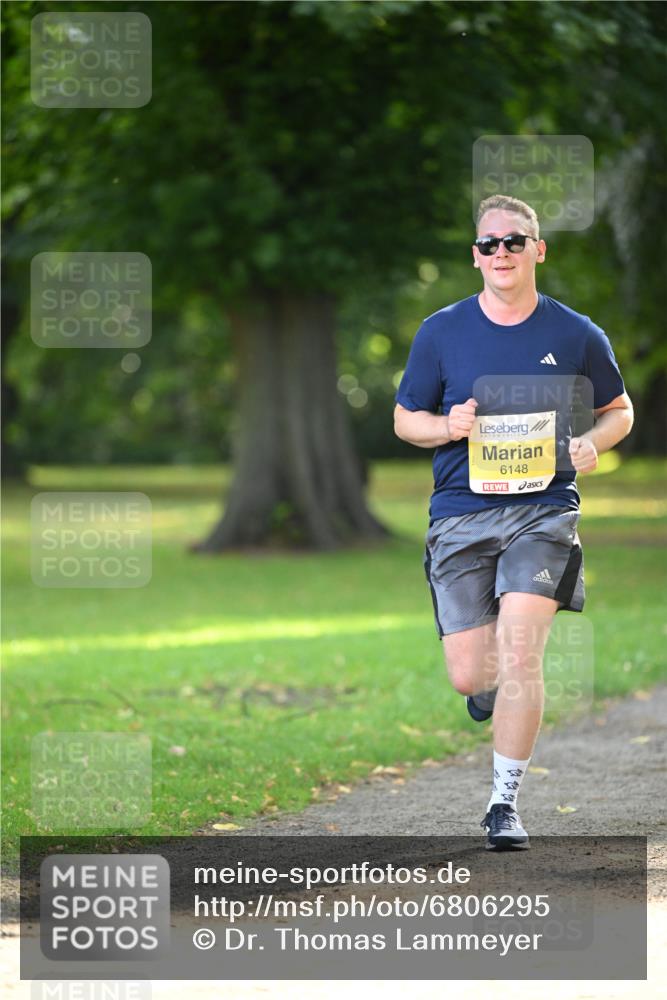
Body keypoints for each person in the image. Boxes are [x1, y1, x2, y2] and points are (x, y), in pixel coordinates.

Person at [394, 194, 634, 850]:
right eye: (488, 243)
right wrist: (447, 425)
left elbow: (619, 408)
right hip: (461, 514)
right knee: (472, 675)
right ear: (474, 257)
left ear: (537, 249)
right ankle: (485, 689)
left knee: (523, 648)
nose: (500, 251)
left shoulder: (575, 333)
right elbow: (403, 418)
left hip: (544, 510)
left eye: (514, 240)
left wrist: (595, 442)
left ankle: (504, 803)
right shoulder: (440, 332)